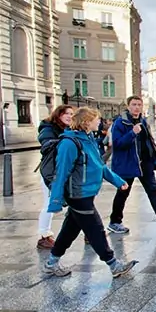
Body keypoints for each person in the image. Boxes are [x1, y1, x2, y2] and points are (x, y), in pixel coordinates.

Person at [42, 107, 138, 278]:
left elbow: (99, 165)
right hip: (78, 195)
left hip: (87, 192)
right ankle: (113, 264)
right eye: (96, 119)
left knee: (69, 230)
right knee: (96, 229)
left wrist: (118, 181)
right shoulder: (69, 143)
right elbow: (61, 173)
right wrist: (55, 201)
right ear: (86, 122)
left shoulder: (88, 139)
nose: (99, 122)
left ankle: (51, 262)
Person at [107, 96, 156, 234]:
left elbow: (148, 142)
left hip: (145, 163)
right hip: (128, 163)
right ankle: (115, 221)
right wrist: (132, 133)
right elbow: (117, 144)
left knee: (153, 191)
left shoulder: (142, 121)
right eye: (134, 104)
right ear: (128, 106)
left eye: (139, 105)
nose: (137, 107)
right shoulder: (120, 123)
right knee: (123, 192)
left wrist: (153, 158)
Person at [36, 105, 75, 250]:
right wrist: (62, 141)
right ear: (58, 115)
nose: (69, 116)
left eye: (72, 114)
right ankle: (43, 236)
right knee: (49, 203)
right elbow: (45, 144)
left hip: (65, 170)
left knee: (77, 203)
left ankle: (89, 232)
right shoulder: (48, 128)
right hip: (51, 172)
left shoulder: (69, 129)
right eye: (66, 113)